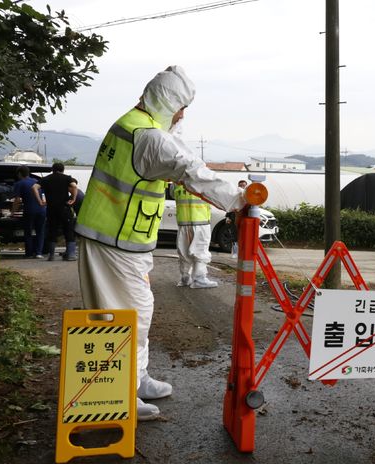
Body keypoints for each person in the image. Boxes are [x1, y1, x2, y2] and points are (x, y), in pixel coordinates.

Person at [75, 66, 245, 421]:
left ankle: (136, 379)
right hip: (114, 242)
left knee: (138, 313)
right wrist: (240, 201)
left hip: (123, 241)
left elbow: (176, 143)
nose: (182, 115)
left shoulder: (137, 124)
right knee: (122, 319)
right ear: (167, 103)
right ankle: (121, 395)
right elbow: (188, 164)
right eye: (180, 107)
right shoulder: (149, 138)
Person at [174, 183, 217, 288]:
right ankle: (199, 280)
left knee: (184, 253)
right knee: (201, 251)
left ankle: (185, 278)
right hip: (200, 222)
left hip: (183, 223)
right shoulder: (202, 182)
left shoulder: (177, 184)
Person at [33, 162, 77, 261]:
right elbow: (74, 186)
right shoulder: (66, 178)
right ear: (63, 169)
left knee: (52, 231)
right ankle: (70, 255)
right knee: (68, 230)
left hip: (51, 209)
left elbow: (34, 187)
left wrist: (39, 201)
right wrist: (73, 198)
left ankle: (51, 255)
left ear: (52, 169)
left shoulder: (46, 179)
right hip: (64, 209)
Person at [12, 165, 46, 258]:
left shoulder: (19, 183)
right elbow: (43, 197)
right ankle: (39, 253)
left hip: (29, 210)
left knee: (28, 232)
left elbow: (17, 200)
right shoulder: (37, 182)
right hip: (42, 210)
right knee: (40, 231)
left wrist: (13, 212)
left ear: (19, 173)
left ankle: (29, 254)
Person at [227, 179, 248, 258]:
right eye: (241, 185)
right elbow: (230, 206)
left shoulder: (248, 196)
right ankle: (235, 252)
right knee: (234, 235)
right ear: (238, 186)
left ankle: (243, 251)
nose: (242, 187)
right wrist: (228, 217)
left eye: (244, 185)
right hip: (235, 218)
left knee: (244, 235)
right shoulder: (235, 195)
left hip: (244, 219)